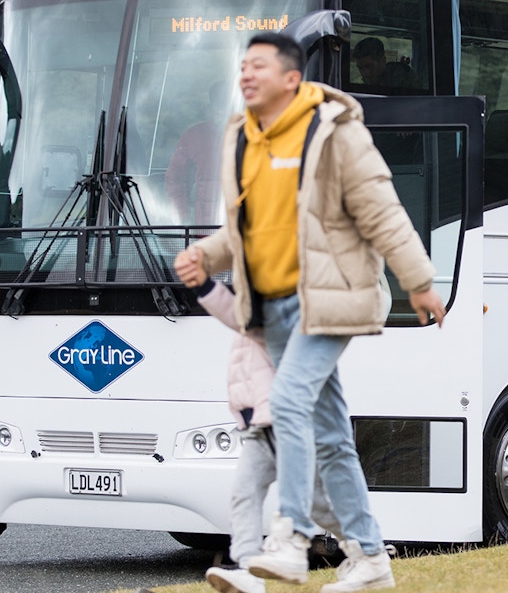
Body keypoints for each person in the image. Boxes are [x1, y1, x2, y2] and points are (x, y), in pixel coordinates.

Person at [175, 31, 445, 593]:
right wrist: (207, 253)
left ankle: (292, 538)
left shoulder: (333, 132)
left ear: (292, 78)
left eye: (259, 66)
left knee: (291, 399)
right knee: (330, 437)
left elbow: (384, 212)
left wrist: (418, 281)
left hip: (328, 299)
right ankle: (371, 559)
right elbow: (249, 231)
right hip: (268, 306)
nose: (246, 74)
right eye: (242, 66)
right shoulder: (243, 139)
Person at [195, 277, 342, 593]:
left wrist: (207, 287)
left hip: (284, 420)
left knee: (316, 502)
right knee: (245, 491)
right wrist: (204, 287)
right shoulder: (257, 306)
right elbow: (236, 318)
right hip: (261, 423)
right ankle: (247, 568)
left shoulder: (280, 309)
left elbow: (238, 317)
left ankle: (365, 547)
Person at [166, 81, 231, 225]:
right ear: (211, 107)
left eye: (228, 105)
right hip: (206, 232)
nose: (225, 112)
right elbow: (176, 179)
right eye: (220, 105)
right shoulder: (193, 136)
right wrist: (183, 216)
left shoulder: (256, 136)